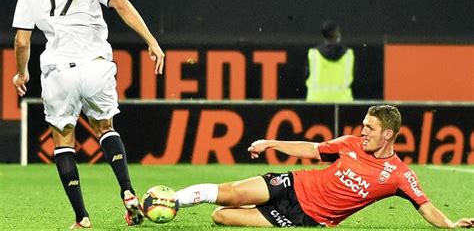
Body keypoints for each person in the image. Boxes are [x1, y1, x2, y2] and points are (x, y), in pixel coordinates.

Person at [11, 0, 165, 228]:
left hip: (59, 71)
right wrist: (151, 41)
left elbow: (21, 40)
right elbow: (119, 3)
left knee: (63, 140)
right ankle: (128, 190)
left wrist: (22, 73)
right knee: (105, 128)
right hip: (96, 66)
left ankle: (82, 218)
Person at [174, 105, 474, 228]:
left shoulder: (399, 175)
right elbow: (313, 150)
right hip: (293, 183)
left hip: (304, 216)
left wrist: (449, 225)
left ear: (388, 134)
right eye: (363, 126)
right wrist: (272, 143)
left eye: (370, 128)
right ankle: (170, 200)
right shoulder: (349, 143)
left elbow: (425, 205)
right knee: (230, 193)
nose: (364, 132)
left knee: (221, 216)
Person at [305, 20, 354, 102]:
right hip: (343, 103)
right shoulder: (349, 54)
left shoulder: (313, 54)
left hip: (315, 103)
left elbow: (305, 75)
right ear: (338, 34)